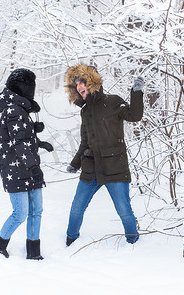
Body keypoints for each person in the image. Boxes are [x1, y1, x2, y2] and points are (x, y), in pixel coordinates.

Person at [64, 64, 144, 246]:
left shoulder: (113, 101)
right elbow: (85, 142)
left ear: (92, 83)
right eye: (75, 85)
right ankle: (70, 240)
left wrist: (136, 92)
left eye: (81, 83)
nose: (78, 87)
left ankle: (133, 241)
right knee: (77, 207)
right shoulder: (85, 111)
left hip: (115, 166)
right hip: (91, 168)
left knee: (123, 209)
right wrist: (75, 163)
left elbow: (135, 115)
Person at [0, 68, 53, 260]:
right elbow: (17, 143)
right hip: (16, 170)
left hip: (28, 167)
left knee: (37, 211)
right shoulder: (13, 110)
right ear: (24, 88)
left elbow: (23, 138)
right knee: (20, 213)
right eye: (31, 87)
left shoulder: (20, 110)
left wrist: (37, 138)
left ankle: (33, 252)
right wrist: (34, 167)